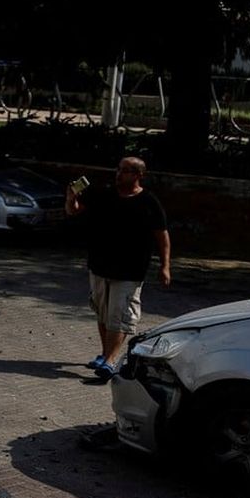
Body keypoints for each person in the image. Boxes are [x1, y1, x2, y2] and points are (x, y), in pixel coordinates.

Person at [66, 156, 171, 383]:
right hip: (99, 266)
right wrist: (70, 198)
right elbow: (73, 211)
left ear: (138, 175)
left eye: (125, 171)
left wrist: (165, 266)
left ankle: (111, 361)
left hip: (130, 271)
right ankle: (105, 354)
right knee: (103, 314)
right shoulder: (104, 194)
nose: (118, 174)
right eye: (118, 169)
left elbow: (162, 236)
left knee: (120, 317)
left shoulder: (149, 202)